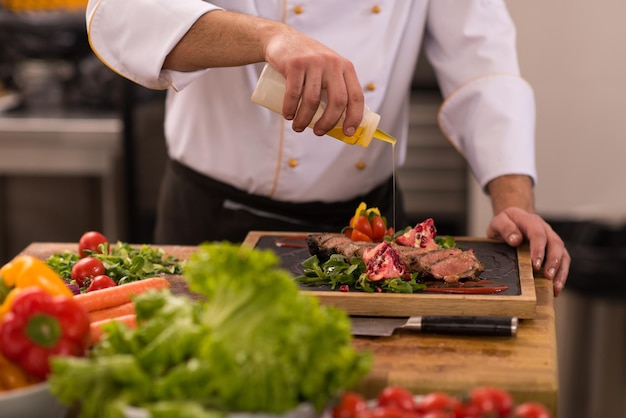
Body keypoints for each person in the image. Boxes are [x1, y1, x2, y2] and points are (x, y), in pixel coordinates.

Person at [85, 1, 569, 295]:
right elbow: (119, 9)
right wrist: (269, 35)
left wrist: (514, 203)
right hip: (211, 215)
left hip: (368, 227)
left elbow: (482, 59)